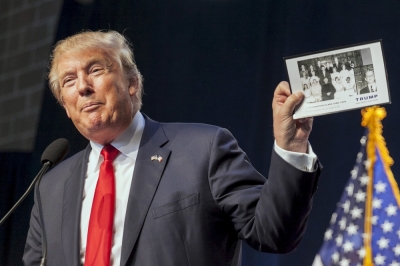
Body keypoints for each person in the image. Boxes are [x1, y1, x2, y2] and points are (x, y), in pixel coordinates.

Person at [23, 30, 321, 266]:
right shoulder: (50, 188)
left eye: (96, 69)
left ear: (132, 83)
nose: (83, 87)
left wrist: (292, 146)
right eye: (69, 81)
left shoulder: (202, 150)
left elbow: (273, 233)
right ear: (65, 105)